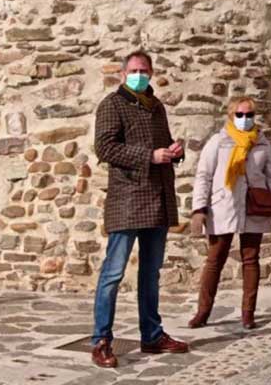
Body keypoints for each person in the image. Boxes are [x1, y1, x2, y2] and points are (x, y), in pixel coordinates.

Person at [90, 50, 189, 368]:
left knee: (151, 273)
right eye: (133, 70)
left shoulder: (156, 106)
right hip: (127, 201)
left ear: (151, 72)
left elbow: (162, 144)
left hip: (157, 199)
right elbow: (104, 147)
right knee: (113, 273)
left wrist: (175, 151)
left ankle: (152, 335)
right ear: (122, 74)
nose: (139, 75)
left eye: (144, 70)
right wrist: (149, 156)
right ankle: (101, 340)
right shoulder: (112, 104)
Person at [188, 96, 271, 330]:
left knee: (250, 259)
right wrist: (199, 209)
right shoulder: (218, 142)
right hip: (222, 206)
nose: (245, 119)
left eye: (249, 115)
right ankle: (203, 312)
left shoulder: (262, 144)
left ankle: (248, 314)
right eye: (240, 115)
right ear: (231, 116)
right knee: (215, 260)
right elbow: (203, 176)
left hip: (254, 206)